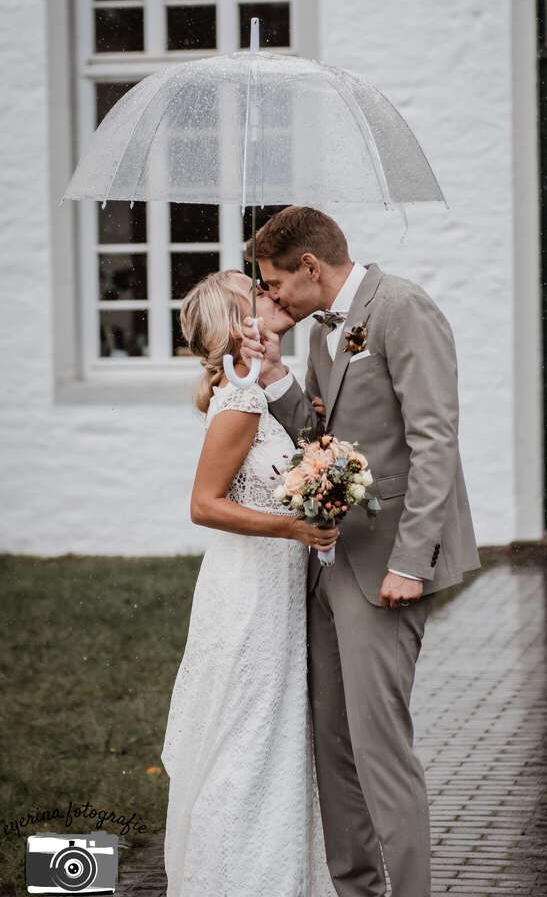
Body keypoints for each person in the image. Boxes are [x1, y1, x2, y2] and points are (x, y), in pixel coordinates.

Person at [240, 206, 482, 897]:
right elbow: (322, 436)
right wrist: (274, 374)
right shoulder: (322, 332)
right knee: (332, 743)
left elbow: (434, 442)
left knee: (379, 749)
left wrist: (411, 563)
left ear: (310, 267)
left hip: (387, 566)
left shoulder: (403, 309)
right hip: (330, 563)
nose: (272, 297)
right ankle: (357, 889)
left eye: (275, 282)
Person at [160, 269, 339, 897]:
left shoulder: (255, 394)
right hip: (247, 598)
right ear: (242, 324)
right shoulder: (238, 403)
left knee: (270, 743)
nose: (273, 297)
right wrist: (294, 529)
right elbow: (204, 505)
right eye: (258, 293)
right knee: (246, 743)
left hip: (274, 595)